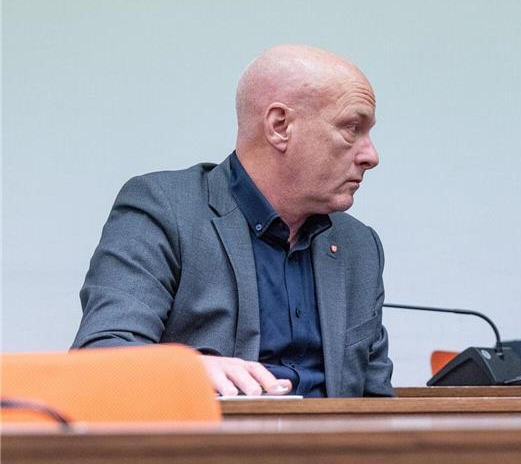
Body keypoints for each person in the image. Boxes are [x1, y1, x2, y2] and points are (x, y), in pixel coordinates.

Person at [73, 44, 393, 397]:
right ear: (280, 126)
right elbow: (100, 356)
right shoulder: (165, 209)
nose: (371, 156)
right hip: (211, 447)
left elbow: (377, 399)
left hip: (336, 449)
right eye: (352, 128)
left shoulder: (359, 246)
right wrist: (191, 369)